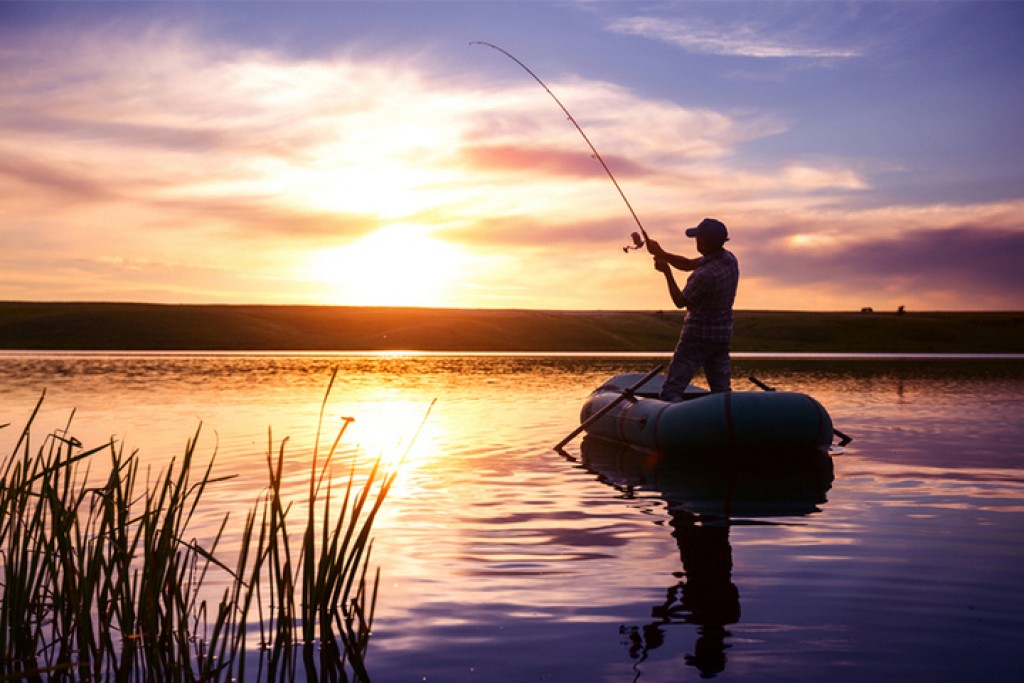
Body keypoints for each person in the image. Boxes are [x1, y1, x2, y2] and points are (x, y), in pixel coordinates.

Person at [646, 218, 739, 401]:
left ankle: (670, 423)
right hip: (721, 336)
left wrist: (666, 272)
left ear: (703, 242)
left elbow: (680, 301)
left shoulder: (704, 275)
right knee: (721, 391)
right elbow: (688, 264)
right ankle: (725, 420)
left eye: (698, 238)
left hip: (696, 337)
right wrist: (661, 253)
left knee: (672, 390)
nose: (696, 241)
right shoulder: (729, 259)